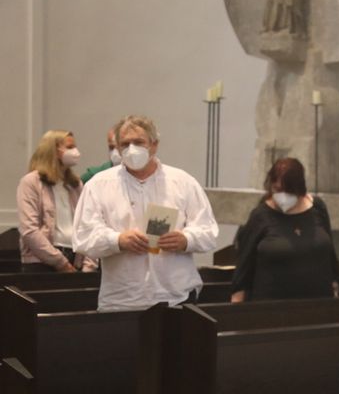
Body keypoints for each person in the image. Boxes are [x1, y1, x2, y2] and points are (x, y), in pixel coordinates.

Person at [73, 115, 218, 311]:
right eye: (125, 144)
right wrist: (117, 240)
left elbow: (208, 231)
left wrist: (186, 240)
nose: (132, 149)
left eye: (139, 142)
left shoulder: (183, 182)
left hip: (176, 295)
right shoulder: (98, 185)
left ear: (154, 145)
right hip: (122, 299)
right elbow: (83, 237)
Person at [230, 157, 339, 302]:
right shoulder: (260, 216)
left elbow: (330, 255)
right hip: (271, 307)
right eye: (277, 189)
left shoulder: (318, 208)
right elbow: (243, 270)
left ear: (299, 188)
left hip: (318, 304)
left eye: (288, 191)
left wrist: (336, 286)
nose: (282, 196)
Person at [16, 130, 91, 273]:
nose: (75, 152)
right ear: (53, 150)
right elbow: (29, 230)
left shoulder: (75, 184)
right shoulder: (31, 182)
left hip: (75, 259)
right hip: (41, 262)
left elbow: (86, 224)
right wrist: (61, 263)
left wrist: (88, 265)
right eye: (69, 147)